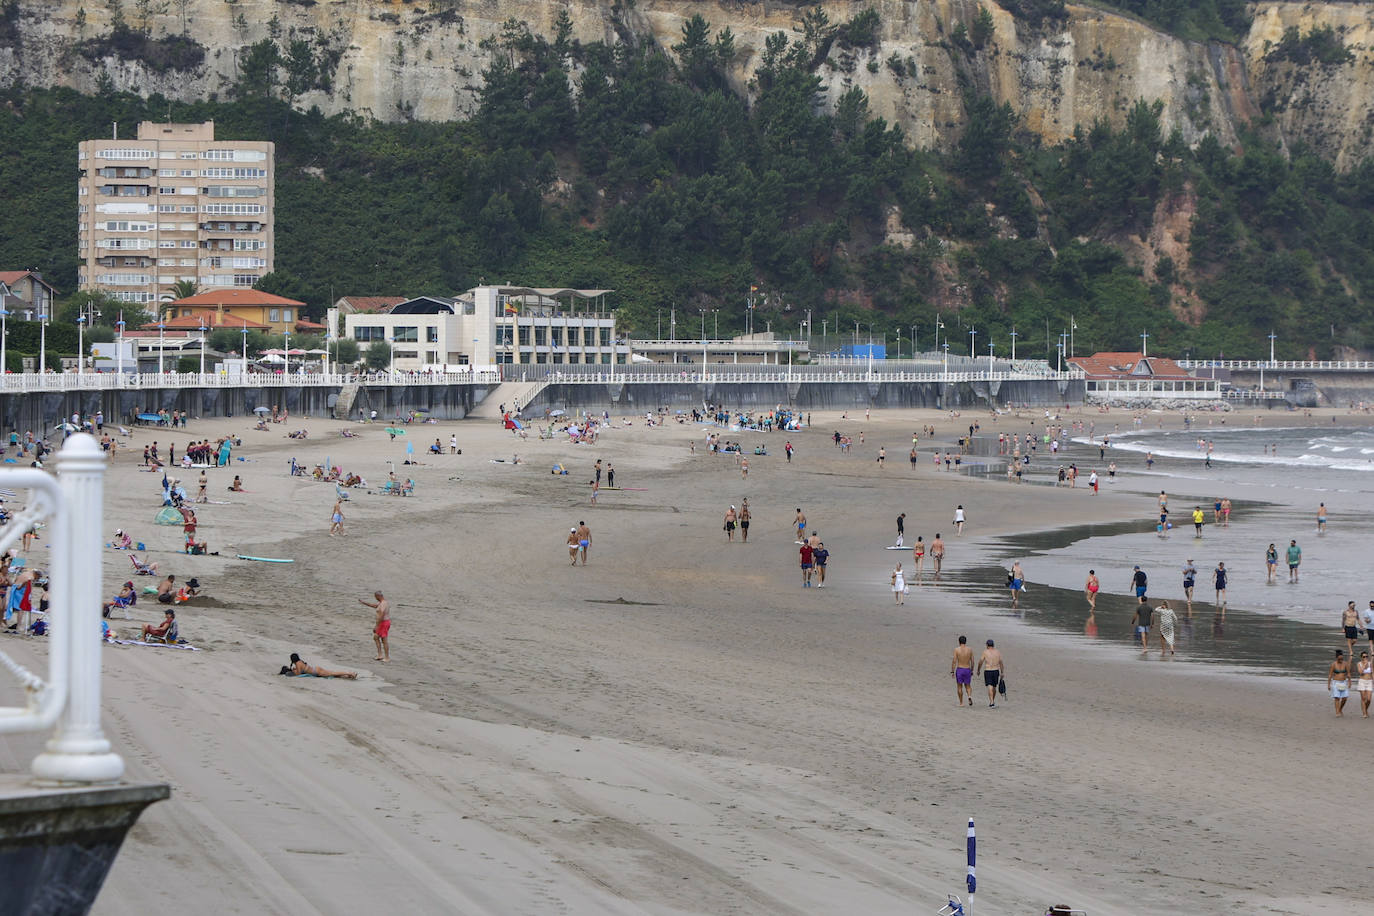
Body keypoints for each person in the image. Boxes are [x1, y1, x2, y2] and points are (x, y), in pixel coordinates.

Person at [360, 591, 391, 662]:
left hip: (384, 623)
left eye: (375, 597)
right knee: (376, 637)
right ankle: (380, 655)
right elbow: (374, 606)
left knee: (384, 640)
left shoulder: (383, 604)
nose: (375, 598)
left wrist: (377, 626)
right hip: (382, 623)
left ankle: (387, 657)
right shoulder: (382, 603)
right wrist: (364, 602)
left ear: (378, 596)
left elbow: (382, 614)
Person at [283, 653, 357, 679]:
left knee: (333, 673)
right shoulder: (300, 662)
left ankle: (350, 673)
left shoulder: (298, 664)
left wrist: (293, 671)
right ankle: (348, 676)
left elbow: (299, 674)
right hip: (316, 669)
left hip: (317, 672)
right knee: (333, 674)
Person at [976, 640, 1004, 708]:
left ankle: (991, 702)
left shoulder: (985, 652)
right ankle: (992, 701)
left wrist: (978, 670)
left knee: (989, 686)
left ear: (987, 645)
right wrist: (1002, 672)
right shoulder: (997, 652)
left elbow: (981, 661)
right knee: (994, 687)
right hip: (996, 670)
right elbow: (1001, 662)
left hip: (988, 670)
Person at [951, 636, 975, 707]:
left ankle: (961, 703)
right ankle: (969, 696)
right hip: (967, 669)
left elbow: (954, 661)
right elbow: (973, 661)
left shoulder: (956, 649)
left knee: (959, 686)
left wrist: (952, 671)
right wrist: (972, 670)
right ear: (965, 641)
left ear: (959, 642)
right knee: (968, 685)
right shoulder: (970, 650)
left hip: (960, 669)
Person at [1328, 650, 1351, 716]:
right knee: (1337, 698)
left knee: (1345, 698)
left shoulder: (1345, 664)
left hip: (1343, 682)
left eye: (1342, 658)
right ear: (1337, 657)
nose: (1341, 659)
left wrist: (1350, 682)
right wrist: (1328, 684)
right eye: (1340, 658)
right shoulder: (1333, 664)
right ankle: (1337, 712)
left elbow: (1348, 674)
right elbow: (1330, 675)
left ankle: (1340, 709)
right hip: (1336, 682)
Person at [1356, 651, 1373, 719]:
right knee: (1363, 698)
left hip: (1369, 681)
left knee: (1368, 699)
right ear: (1361, 657)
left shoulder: (1370, 663)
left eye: (1366, 656)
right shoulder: (1359, 664)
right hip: (1362, 681)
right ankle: (1364, 713)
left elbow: (1372, 672)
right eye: (1364, 657)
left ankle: (1365, 709)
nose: (1365, 658)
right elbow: (1360, 673)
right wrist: (1365, 665)